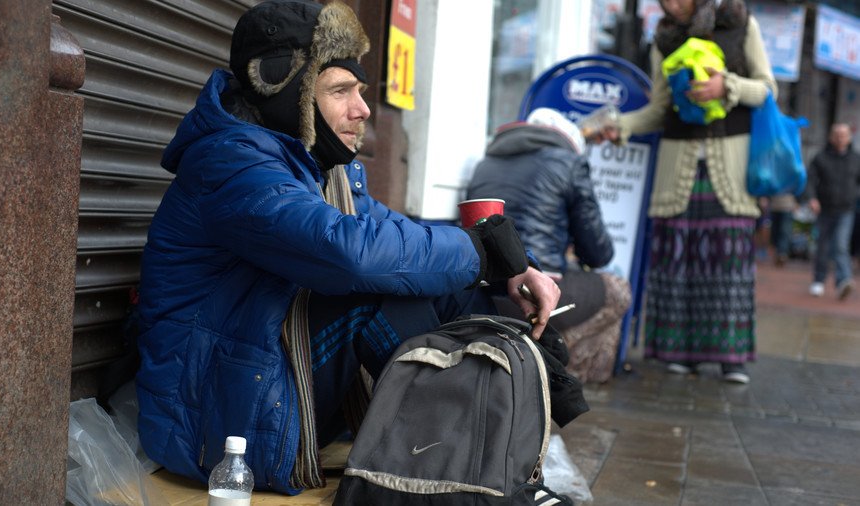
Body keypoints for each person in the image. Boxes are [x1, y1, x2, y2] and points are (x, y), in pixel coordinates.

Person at [134, 0, 565, 495]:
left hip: (258, 372)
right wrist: (480, 253)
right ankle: (454, 474)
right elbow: (349, 253)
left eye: (360, 91)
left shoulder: (315, 165)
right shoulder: (230, 163)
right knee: (376, 296)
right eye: (340, 90)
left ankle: (488, 460)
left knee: (452, 291)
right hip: (210, 420)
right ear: (283, 90)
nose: (361, 108)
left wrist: (508, 266)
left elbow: (396, 235)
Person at [594, 0, 776, 384]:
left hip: (730, 164)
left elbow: (766, 89)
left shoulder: (741, 24)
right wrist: (619, 125)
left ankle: (731, 358)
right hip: (678, 165)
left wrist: (725, 85)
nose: (672, 4)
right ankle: (679, 353)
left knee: (728, 259)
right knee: (677, 256)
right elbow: (659, 108)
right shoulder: (664, 38)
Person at [466, 107, 632, 383]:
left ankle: (542, 365)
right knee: (618, 287)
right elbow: (598, 251)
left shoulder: (486, 162)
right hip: (532, 295)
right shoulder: (570, 162)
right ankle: (562, 383)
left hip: (481, 292)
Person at [805, 123, 860, 299]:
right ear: (830, 137)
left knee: (841, 245)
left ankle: (843, 281)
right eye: (837, 134)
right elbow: (810, 180)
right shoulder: (820, 158)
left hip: (846, 209)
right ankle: (818, 280)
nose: (840, 138)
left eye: (843, 135)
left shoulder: (855, 159)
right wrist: (812, 198)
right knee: (822, 246)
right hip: (824, 208)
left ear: (849, 138)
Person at [769, 193, 797, 267]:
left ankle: (782, 253)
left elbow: (798, 185)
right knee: (775, 231)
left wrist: (797, 201)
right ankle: (778, 252)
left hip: (788, 206)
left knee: (784, 231)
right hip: (774, 206)